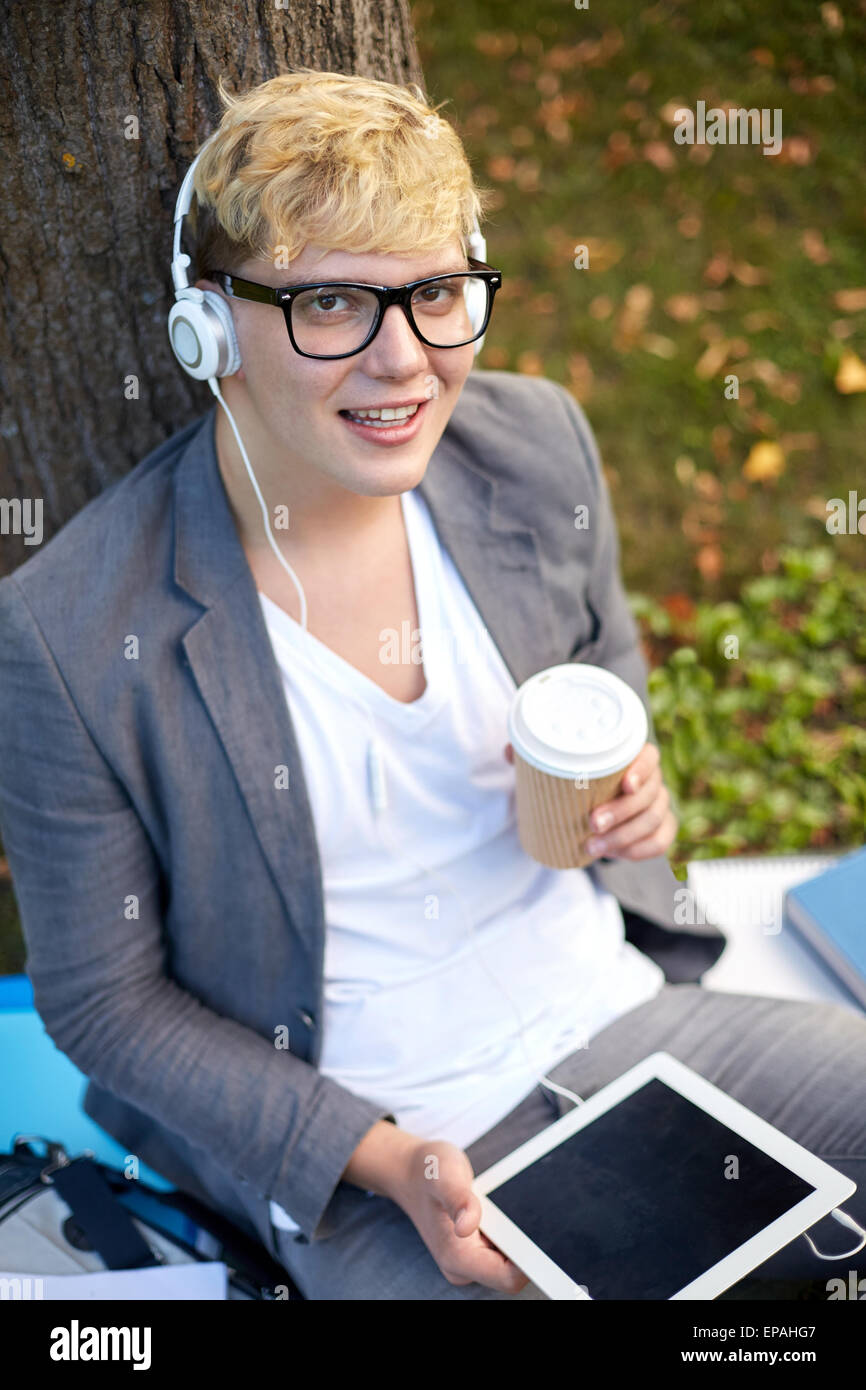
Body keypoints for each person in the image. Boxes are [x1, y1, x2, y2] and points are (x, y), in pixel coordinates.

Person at [0, 69, 863, 1303]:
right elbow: (102, 1000)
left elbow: (604, 681)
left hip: (627, 1029)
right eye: (335, 303)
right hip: (365, 1145)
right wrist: (387, 1161)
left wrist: (632, 804)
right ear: (205, 325)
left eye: (436, 295)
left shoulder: (533, 446)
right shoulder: (70, 632)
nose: (402, 359)